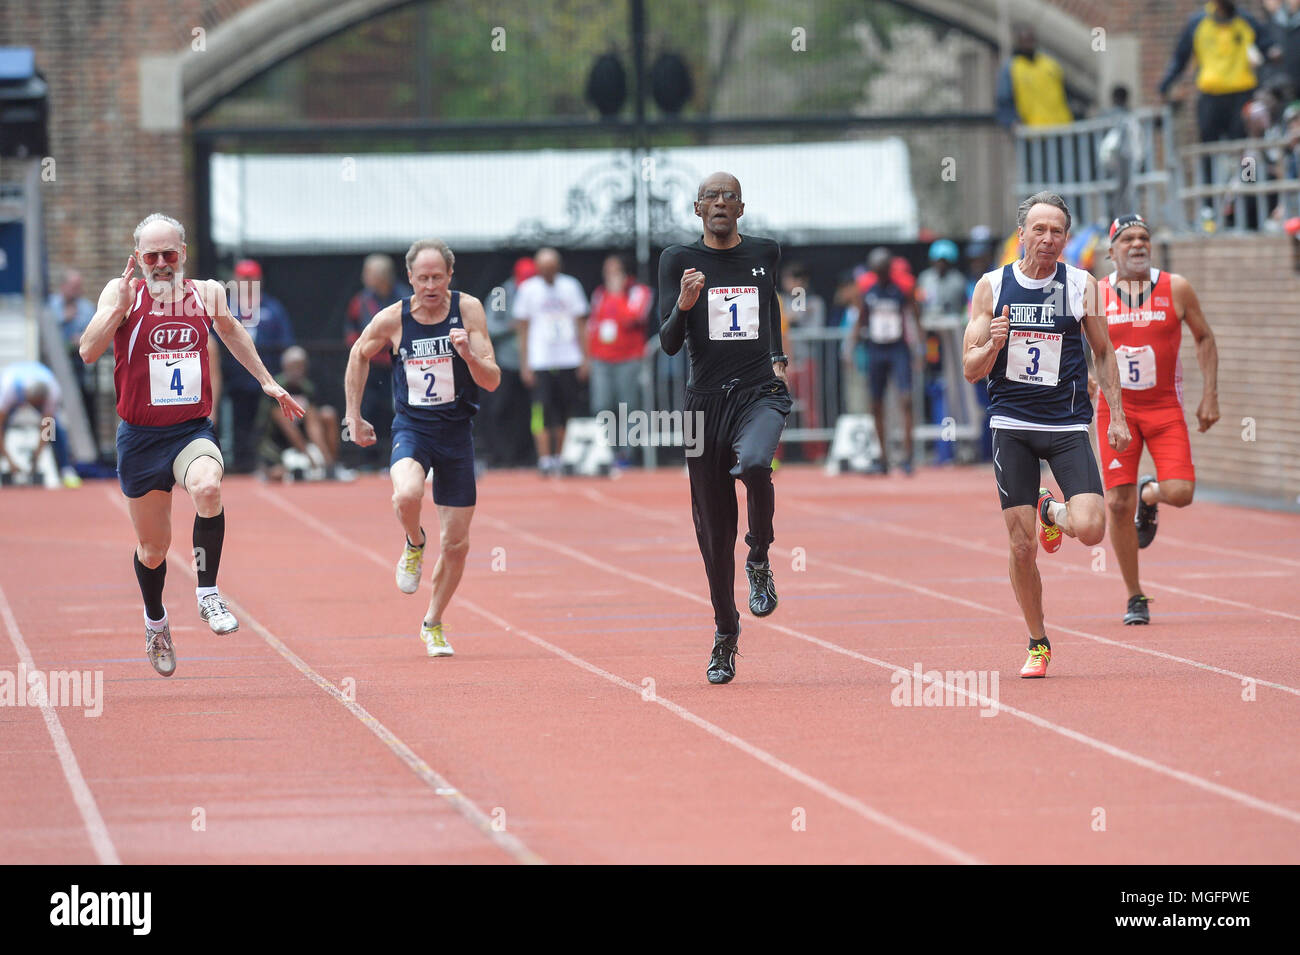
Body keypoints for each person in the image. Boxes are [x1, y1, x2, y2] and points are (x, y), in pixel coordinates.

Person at [77, 213, 304, 677]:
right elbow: (87, 350)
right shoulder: (121, 293)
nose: (162, 264)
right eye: (152, 256)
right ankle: (156, 621)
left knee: (207, 488)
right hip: (140, 438)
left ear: (183, 253)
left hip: (189, 430)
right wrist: (116, 310)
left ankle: (207, 594)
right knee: (153, 550)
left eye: (170, 254)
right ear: (137, 259)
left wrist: (267, 381)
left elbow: (234, 333)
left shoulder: (208, 293)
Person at [962, 192, 1130, 679]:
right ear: (1022, 235)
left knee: (1093, 527)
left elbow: (1103, 350)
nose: (1049, 239)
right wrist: (993, 344)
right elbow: (970, 370)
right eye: (1040, 229)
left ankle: (1051, 508)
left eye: (1058, 231)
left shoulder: (1082, 285)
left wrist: (1115, 414)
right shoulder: (992, 287)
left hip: (1066, 423)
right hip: (1011, 423)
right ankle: (1038, 640)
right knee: (1021, 546)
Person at [657, 172, 792, 685]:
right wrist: (685, 305)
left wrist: (777, 356)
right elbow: (668, 342)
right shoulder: (677, 260)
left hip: (759, 392)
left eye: (728, 197)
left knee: (756, 463)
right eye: (710, 197)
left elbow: (769, 299)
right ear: (697, 210)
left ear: (741, 208)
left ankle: (759, 555)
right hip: (701, 405)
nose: (719, 203)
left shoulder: (765, 252)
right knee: (713, 533)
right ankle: (725, 633)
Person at [343, 238, 500, 658]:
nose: (430, 285)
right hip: (412, 428)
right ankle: (414, 541)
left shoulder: (467, 310)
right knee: (407, 494)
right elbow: (359, 352)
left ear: (450, 276)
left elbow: (492, 379)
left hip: (456, 434)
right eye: (422, 277)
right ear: (408, 278)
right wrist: (353, 415)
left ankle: (433, 621)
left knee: (457, 543)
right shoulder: (394, 317)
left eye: (437, 277)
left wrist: (467, 354)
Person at [1094, 213, 1219, 625]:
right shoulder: (1095, 294)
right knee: (1115, 503)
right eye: (1127, 239)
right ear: (1111, 251)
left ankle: (1150, 495)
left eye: (1143, 237)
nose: (1137, 244)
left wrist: (1209, 396)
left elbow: (1204, 337)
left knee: (1181, 492)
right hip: (1117, 410)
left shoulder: (1176, 288)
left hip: (1164, 407)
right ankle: (1135, 597)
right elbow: (1076, 344)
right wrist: (1089, 381)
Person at [1159, 1, 1265, 199]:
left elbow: (1268, 46)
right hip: (1211, 95)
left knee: (1246, 151)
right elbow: (1180, 58)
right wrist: (1165, 85)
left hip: (1242, 93)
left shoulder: (1246, 20)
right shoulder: (1198, 22)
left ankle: (1249, 199)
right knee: (1207, 151)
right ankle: (1208, 203)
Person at [514, 248, 589, 475]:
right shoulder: (528, 290)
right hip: (541, 360)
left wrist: (586, 358)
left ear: (558, 267)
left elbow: (581, 324)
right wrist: (525, 363)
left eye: (551, 267)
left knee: (565, 408)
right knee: (542, 410)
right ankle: (544, 458)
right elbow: (523, 329)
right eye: (543, 268)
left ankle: (560, 456)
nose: (547, 272)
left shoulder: (571, 286)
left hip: (568, 357)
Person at [218, 259, 296, 473]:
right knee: (237, 421)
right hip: (234, 378)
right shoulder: (225, 306)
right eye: (243, 279)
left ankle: (262, 462)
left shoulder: (272, 307)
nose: (247, 283)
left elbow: (286, 341)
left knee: (261, 424)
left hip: (266, 378)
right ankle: (238, 463)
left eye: (252, 279)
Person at [844, 247, 918, 474]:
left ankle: (907, 457)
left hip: (898, 349)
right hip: (876, 348)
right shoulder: (869, 292)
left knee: (905, 400)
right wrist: (851, 347)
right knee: (876, 403)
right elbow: (860, 320)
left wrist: (920, 348)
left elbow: (915, 316)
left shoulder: (901, 290)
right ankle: (883, 458)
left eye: (884, 269)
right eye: (877, 270)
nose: (881, 273)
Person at [344, 254, 409, 469]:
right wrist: (361, 347)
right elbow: (351, 329)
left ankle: (398, 456)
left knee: (397, 411)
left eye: (368, 273)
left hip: (399, 366)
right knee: (368, 408)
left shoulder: (404, 298)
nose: (364, 277)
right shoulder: (360, 300)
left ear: (382, 276)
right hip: (370, 365)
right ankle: (366, 459)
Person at [587, 254, 652, 467]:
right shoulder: (599, 294)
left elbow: (632, 318)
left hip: (628, 359)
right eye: (607, 270)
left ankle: (628, 453)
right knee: (601, 404)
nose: (610, 275)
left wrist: (617, 294)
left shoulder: (639, 292)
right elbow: (593, 324)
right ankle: (608, 450)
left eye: (614, 270)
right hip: (602, 359)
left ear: (625, 273)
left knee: (629, 406)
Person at [256, 346, 352, 481]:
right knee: (276, 474)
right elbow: (286, 426)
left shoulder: (307, 388)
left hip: (305, 436)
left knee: (327, 414)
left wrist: (323, 458)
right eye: (293, 366)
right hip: (278, 441)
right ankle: (297, 469)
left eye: (300, 366)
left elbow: (312, 421)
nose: (296, 371)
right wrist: (309, 457)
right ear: (285, 366)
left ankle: (331, 465)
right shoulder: (276, 387)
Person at [0, 360, 79, 487]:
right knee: (3, 426)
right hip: (13, 385)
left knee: (55, 428)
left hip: (40, 386)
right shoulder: (9, 390)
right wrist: (9, 461)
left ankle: (65, 468)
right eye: (33, 403)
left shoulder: (52, 392)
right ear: (27, 398)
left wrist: (36, 458)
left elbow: (47, 429)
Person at [995, 23, 1073, 128]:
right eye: (1024, 40)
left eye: (1030, 39)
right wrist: (1012, 122)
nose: (1028, 44)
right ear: (1018, 42)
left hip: (1061, 128)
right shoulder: (1011, 68)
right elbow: (1004, 101)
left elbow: (1066, 93)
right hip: (1033, 133)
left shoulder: (1050, 64)